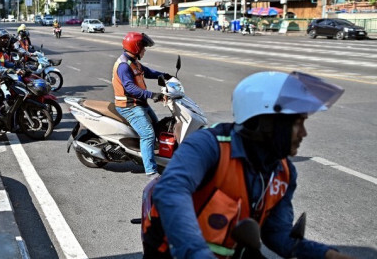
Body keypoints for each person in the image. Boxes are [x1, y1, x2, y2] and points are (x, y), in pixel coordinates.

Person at [142, 71, 353, 259]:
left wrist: (329, 255)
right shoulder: (209, 146)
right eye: (297, 124)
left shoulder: (284, 172)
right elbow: (171, 190)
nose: (303, 134)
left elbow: (278, 235)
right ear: (266, 123)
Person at [111, 32, 171, 176]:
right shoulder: (124, 65)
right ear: (136, 47)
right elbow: (130, 88)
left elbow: (146, 71)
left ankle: (158, 157)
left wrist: (164, 75)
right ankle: (150, 171)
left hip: (139, 103)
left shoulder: (133, 61)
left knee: (158, 127)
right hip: (129, 106)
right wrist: (152, 95)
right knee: (148, 134)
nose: (145, 50)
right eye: (143, 47)